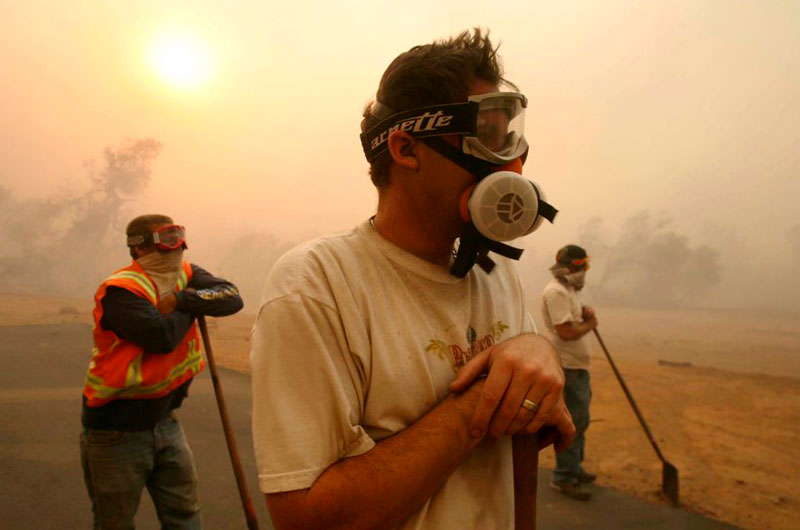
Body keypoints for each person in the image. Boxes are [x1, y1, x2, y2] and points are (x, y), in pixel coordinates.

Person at [250, 29, 575, 529]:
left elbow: (531, 386)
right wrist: (475, 407)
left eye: (511, 136)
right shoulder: (317, 284)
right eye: (487, 135)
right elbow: (306, 519)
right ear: (405, 148)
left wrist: (539, 350)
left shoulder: (494, 273)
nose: (510, 162)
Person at [80, 214, 243, 529]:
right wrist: (193, 304)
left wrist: (181, 298)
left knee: (185, 515)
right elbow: (161, 337)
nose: (176, 248)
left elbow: (232, 297)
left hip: (166, 421)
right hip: (115, 431)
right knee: (115, 523)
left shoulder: (186, 274)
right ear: (140, 248)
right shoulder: (121, 290)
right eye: (167, 240)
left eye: (179, 237)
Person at [540, 244, 598, 501]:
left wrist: (585, 316)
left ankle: (575, 468)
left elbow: (574, 321)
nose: (584, 271)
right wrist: (591, 324)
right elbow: (565, 332)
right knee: (573, 421)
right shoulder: (556, 292)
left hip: (579, 366)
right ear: (571, 267)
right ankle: (564, 477)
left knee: (581, 420)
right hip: (568, 366)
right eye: (581, 266)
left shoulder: (570, 290)